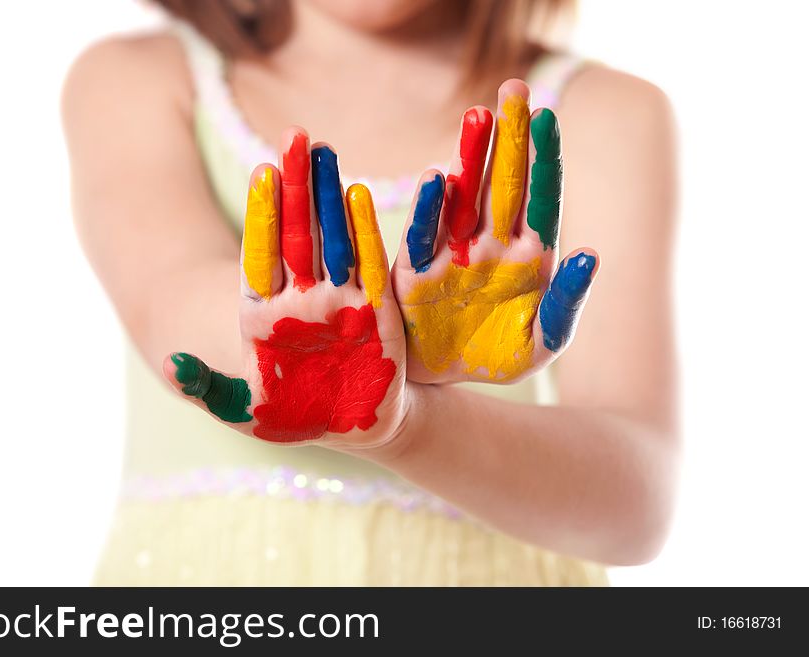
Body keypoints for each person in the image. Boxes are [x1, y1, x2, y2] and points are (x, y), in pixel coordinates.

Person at [62, 0, 679, 585]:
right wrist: (361, 352)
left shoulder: (610, 113)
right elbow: (173, 304)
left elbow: (637, 511)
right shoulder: (138, 79)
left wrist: (410, 421)